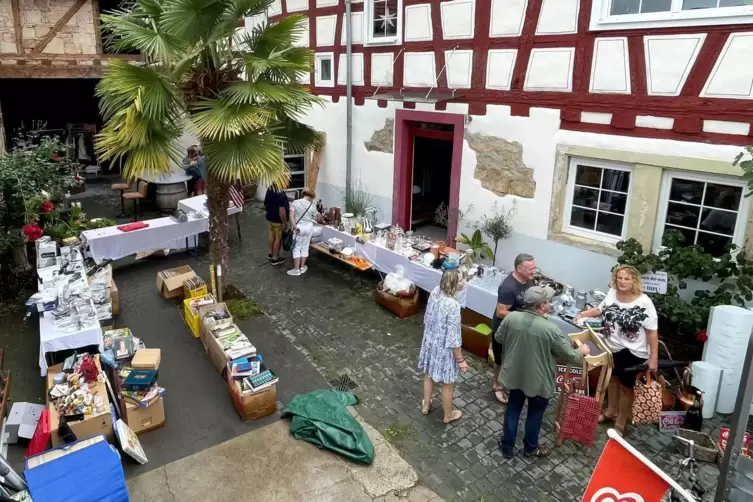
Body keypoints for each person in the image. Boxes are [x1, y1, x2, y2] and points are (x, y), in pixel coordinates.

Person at [496, 286, 590, 458]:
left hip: (514, 375)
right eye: (548, 301)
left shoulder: (512, 318)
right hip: (538, 381)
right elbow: (570, 356)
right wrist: (582, 351)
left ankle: (507, 447)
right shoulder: (550, 329)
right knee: (535, 414)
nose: (550, 303)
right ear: (541, 307)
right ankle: (531, 448)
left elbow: (499, 338)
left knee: (513, 409)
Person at [575, 264, 659, 436]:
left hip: (632, 352)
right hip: (611, 346)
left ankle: (621, 422)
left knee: (626, 388)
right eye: (619, 278)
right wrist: (583, 314)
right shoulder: (613, 292)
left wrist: (654, 358)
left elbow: (652, 332)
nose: (622, 281)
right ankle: (610, 412)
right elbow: (600, 309)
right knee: (612, 380)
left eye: (627, 278)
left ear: (634, 281)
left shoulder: (644, 302)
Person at [417, 269, 469, 424]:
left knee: (429, 374)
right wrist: (460, 360)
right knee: (447, 384)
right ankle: (448, 415)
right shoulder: (453, 305)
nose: (464, 283)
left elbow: (427, 317)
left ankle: (426, 405)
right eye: (460, 281)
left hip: (431, 342)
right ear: (454, 283)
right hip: (444, 349)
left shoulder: (435, 291)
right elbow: (453, 338)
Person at [490, 253, 536, 404]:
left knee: (512, 358)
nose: (533, 271)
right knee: (500, 359)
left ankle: (510, 381)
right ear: (519, 268)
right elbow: (500, 312)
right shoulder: (508, 287)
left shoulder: (529, 280)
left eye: (534, 267)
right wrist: (522, 317)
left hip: (519, 329)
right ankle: (497, 385)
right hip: (504, 330)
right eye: (530, 268)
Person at [287, 188, 319, 276]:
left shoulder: (295, 202)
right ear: (311, 197)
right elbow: (318, 217)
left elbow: (291, 216)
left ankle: (296, 270)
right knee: (305, 247)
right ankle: (302, 267)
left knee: (297, 248)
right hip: (309, 227)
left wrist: (294, 226)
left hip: (299, 227)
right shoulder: (311, 205)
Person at [264, 184, 289, 266]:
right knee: (278, 238)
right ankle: (275, 258)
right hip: (278, 219)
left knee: (271, 234)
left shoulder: (270, 188)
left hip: (270, 216)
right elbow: (282, 212)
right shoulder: (280, 193)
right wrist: (284, 223)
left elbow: (265, 203)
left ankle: (270, 253)